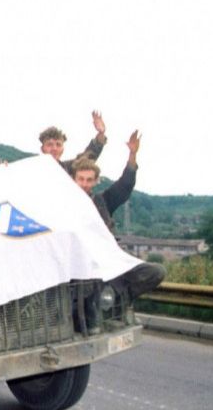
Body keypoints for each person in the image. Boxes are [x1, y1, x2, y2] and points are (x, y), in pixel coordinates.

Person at [71, 130, 165, 329]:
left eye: (89, 180)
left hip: (112, 257)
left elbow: (125, 185)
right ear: (74, 179)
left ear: (96, 181)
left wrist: (132, 155)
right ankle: (97, 314)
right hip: (85, 262)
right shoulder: (64, 206)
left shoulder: (102, 201)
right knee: (92, 280)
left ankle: (119, 300)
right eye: (81, 179)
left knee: (156, 272)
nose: (85, 184)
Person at [40, 110, 107, 175]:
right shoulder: (34, 166)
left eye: (58, 145)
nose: (54, 148)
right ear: (42, 148)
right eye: (49, 144)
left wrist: (101, 133)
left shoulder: (68, 169)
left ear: (63, 148)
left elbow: (88, 157)